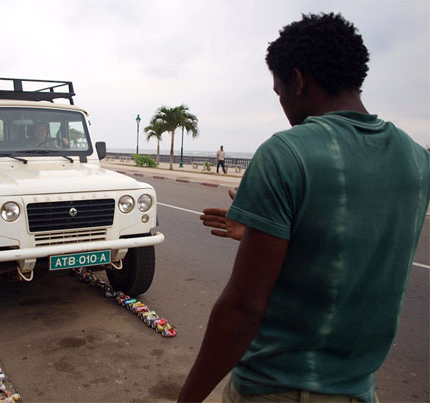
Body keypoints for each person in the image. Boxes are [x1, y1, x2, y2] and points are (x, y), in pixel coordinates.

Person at [178, 12, 429, 403]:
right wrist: (267, 232)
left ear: (298, 80)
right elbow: (354, 242)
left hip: (276, 389)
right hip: (360, 390)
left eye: (279, 93)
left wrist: (189, 397)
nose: (283, 105)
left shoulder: (286, 152)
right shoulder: (416, 159)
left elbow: (243, 310)